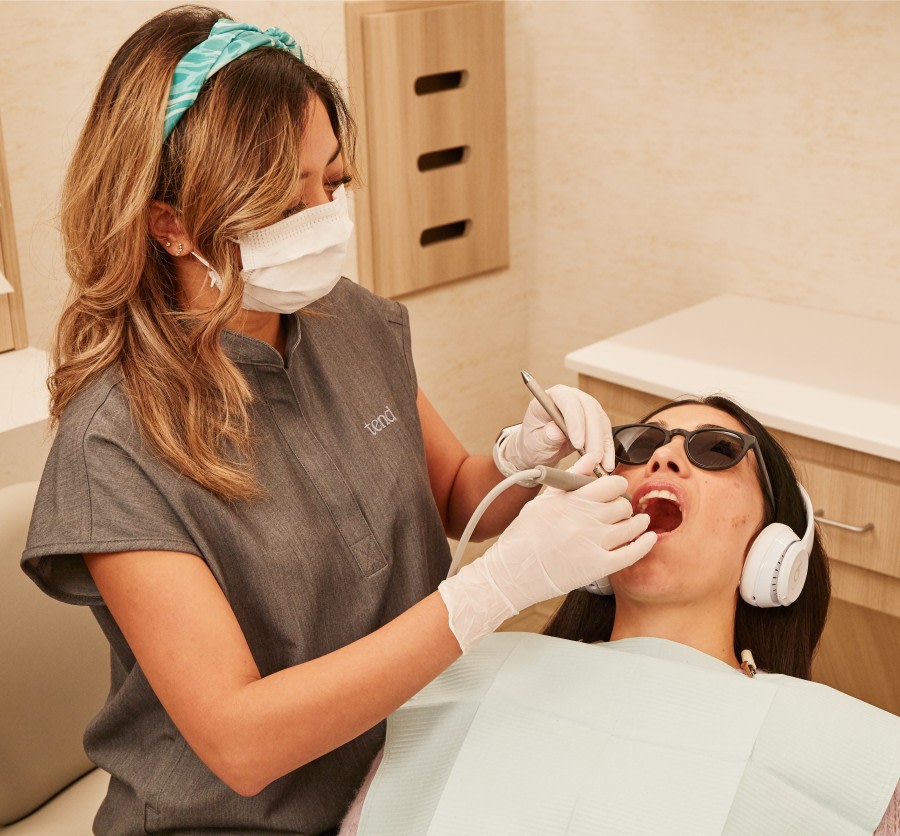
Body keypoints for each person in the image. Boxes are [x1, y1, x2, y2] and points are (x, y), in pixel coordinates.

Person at [18, 6, 659, 835]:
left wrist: (521, 456)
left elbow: (455, 495)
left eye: (335, 181)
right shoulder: (113, 444)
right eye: (285, 201)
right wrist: (489, 594)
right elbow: (241, 743)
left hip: (403, 769)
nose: (325, 217)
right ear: (169, 223)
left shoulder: (344, 318)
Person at [339, 395, 900, 835]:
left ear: (772, 548)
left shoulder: (856, 755)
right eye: (638, 445)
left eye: (716, 450)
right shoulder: (459, 676)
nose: (663, 456)